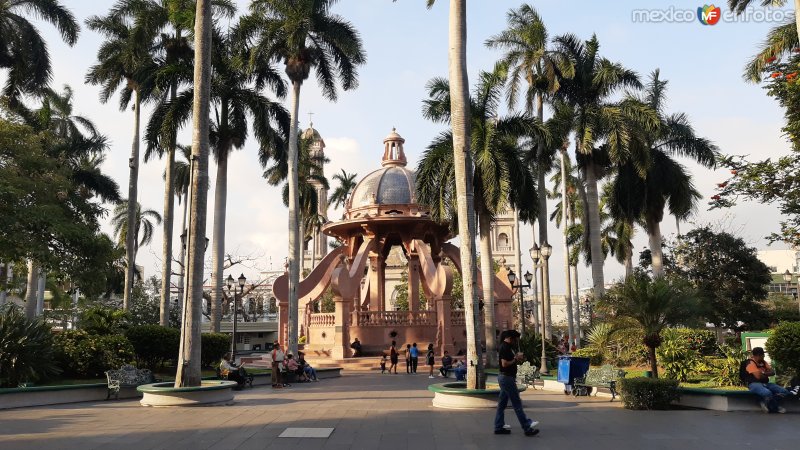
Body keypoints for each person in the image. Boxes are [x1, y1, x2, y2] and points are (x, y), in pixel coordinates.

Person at [495, 329, 539, 436]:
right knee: (517, 403)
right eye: (515, 340)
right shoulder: (505, 347)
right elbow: (504, 364)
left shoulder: (507, 347)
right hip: (507, 378)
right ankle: (527, 426)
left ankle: (498, 426)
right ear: (510, 338)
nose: (516, 342)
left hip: (505, 378)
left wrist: (516, 358)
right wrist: (515, 358)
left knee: (502, 403)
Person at [741, 347, 788, 413]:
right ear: (758, 355)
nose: (764, 356)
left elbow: (773, 372)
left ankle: (765, 401)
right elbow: (758, 376)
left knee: (784, 391)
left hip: (765, 383)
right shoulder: (750, 364)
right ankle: (775, 408)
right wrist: (766, 374)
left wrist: (763, 373)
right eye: (763, 355)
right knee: (767, 393)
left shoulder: (763, 362)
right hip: (753, 384)